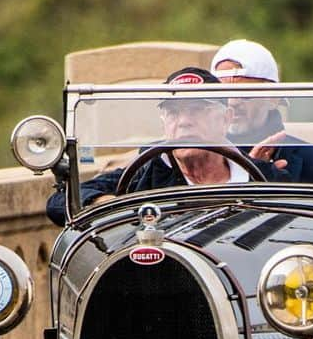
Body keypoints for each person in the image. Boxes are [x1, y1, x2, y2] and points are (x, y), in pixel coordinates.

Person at [46, 68, 292, 225]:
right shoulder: (145, 173)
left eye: (197, 110)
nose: (184, 121)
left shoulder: (263, 177)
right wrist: (108, 205)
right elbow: (59, 203)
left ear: (226, 118)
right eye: (174, 112)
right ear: (164, 122)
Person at [210, 39, 313, 183]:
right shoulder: (197, 157)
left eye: (244, 93)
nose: (233, 102)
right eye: (222, 94)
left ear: (273, 99)